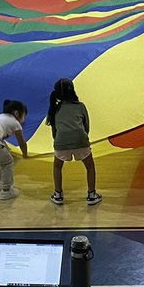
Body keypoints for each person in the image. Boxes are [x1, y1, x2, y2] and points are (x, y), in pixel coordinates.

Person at [47, 77, 100, 205]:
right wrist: (82, 139)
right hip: (80, 140)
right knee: (90, 166)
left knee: (57, 167)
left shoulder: (55, 109)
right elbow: (86, 126)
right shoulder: (80, 106)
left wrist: (59, 142)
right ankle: (92, 194)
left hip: (61, 142)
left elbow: (55, 131)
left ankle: (58, 195)